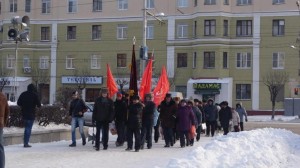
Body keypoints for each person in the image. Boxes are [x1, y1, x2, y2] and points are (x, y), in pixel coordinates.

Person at [17, 83, 41, 148]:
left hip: (24, 114)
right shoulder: (34, 95)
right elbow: (39, 105)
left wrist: (23, 105)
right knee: (28, 128)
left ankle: (25, 142)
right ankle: (26, 143)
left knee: (26, 128)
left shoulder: (23, 94)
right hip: (31, 114)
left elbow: (18, 103)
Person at [0, 92, 9, 168]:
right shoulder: (2, 96)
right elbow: (7, 112)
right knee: (0, 148)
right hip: (0, 124)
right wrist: (3, 123)